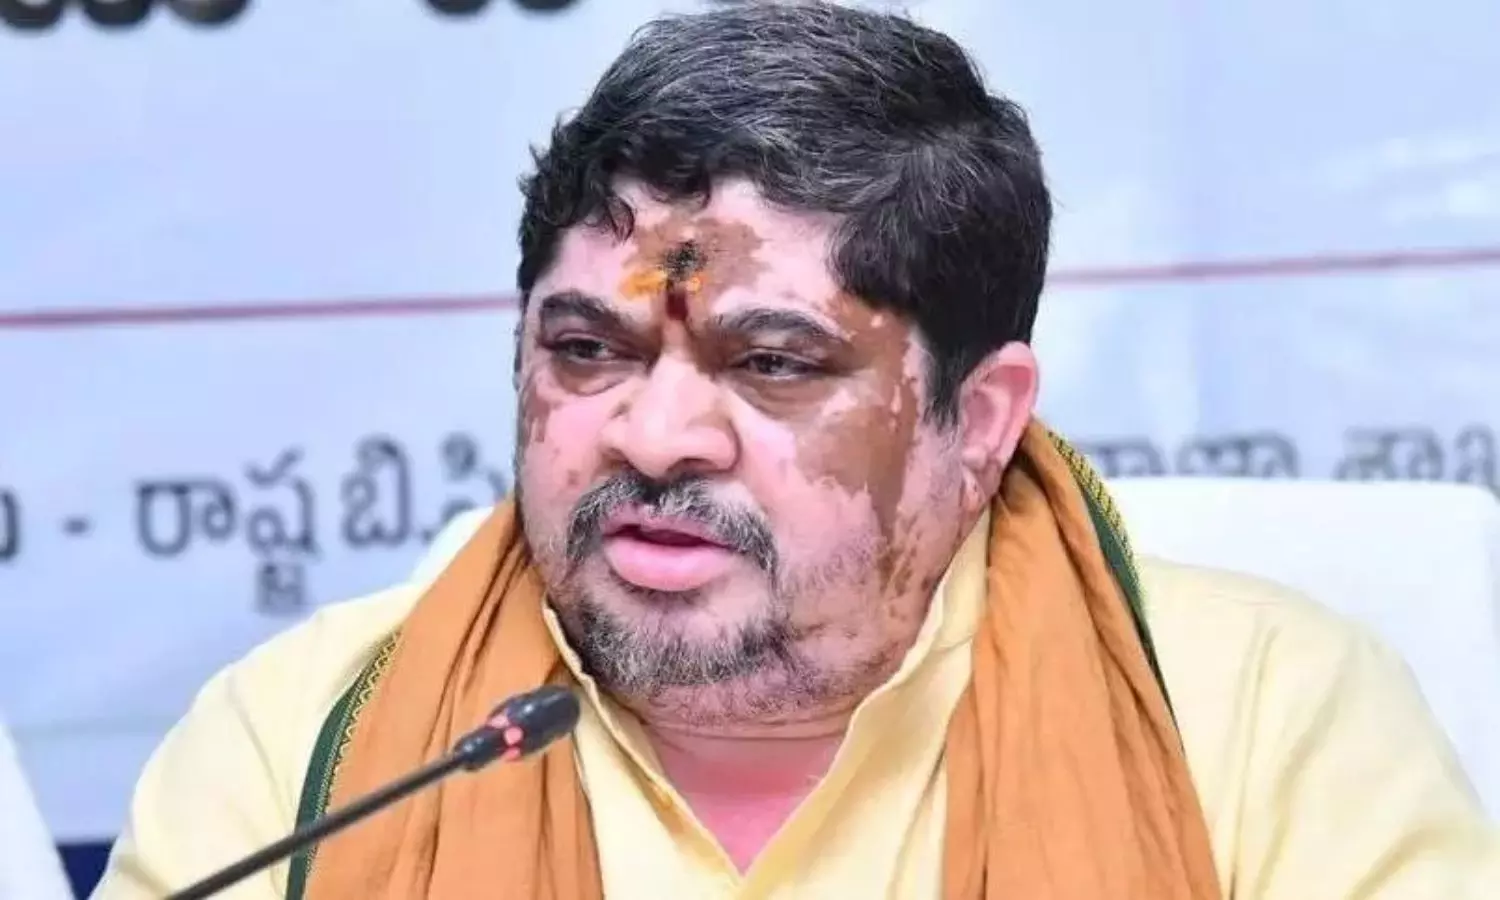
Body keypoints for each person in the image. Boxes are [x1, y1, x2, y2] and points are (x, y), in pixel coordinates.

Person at [94, 3, 1498, 898]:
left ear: (979, 420)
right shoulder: (306, 740)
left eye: (772, 364)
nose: (655, 437)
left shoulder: (1258, 721)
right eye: (588, 350)